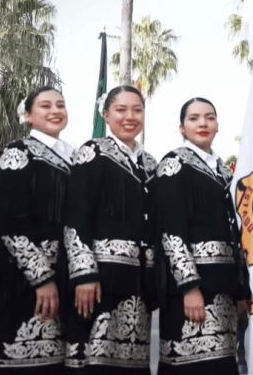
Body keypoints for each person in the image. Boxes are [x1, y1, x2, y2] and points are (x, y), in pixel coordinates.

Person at [63, 85, 158, 373]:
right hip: (100, 279)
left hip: (138, 283)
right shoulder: (92, 153)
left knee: (131, 360)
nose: (130, 117)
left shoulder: (150, 164)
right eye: (121, 110)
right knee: (95, 358)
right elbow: (76, 215)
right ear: (106, 114)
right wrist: (84, 274)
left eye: (137, 110)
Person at [154, 98, 250, 375]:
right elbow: (171, 231)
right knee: (189, 363)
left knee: (222, 363)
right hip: (192, 288)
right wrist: (189, 287)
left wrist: (242, 288)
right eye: (194, 118)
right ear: (182, 128)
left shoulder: (225, 173)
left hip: (225, 288)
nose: (203, 123)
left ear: (217, 125)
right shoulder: (174, 164)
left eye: (209, 117)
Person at [0, 86, 73, 373]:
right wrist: (42, 279)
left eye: (60, 105)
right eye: (45, 105)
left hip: (65, 278)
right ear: (28, 116)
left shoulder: (73, 156)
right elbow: (9, 222)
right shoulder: (18, 153)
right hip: (23, 281)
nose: (55, 110)